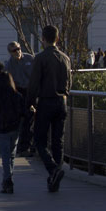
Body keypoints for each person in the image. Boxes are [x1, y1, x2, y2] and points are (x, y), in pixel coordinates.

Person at [28, 24, 71, 193]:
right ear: (57, 39)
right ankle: (56, 175)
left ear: (43, 39)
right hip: (62, 101)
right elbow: (69, 81)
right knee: (58, 141)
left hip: (46, 101)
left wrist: (29, 103)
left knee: (39, 140)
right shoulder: (65, 58)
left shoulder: (40, 58)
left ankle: (52, 169)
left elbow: (33, 84)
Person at [0, 71, 28, 194]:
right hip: (15, 129)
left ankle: (7, 181)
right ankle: (9, 179)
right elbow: (23, 112)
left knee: (5, 157)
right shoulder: (17, 96)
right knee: (12, 156)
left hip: (3, 129)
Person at [5, 41, 35, 155]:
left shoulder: (29, 59)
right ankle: (22, 146)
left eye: (18, 48)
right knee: (22, 120)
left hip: (30, 91)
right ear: (10, 52)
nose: (17, 51)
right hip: (18, 92)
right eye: (14, 50)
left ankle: (29, 145)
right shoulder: (9, 64)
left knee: (31, 119)